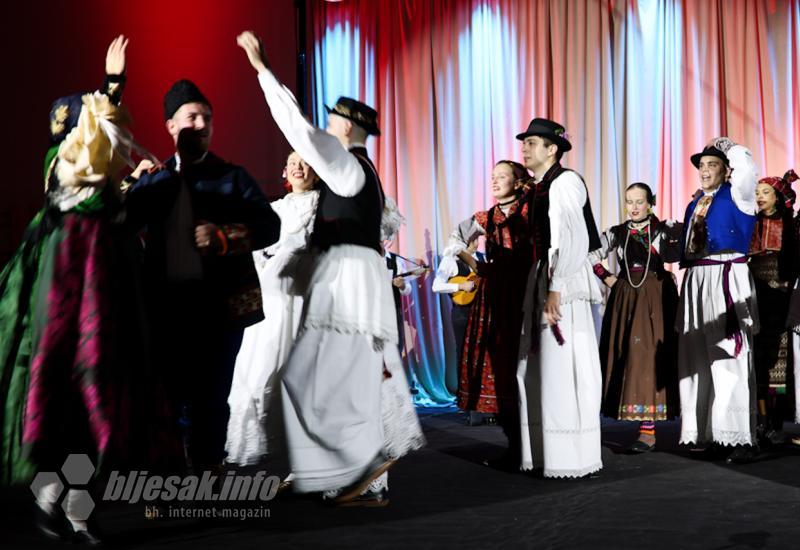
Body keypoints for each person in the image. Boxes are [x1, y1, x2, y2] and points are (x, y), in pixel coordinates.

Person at [237, 30, 421, 505]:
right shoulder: (361, 170)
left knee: (314, 375)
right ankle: (350, 467)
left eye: (334, 120)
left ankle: (362, 464)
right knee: (342, 374)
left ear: (345, 126)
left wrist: (262, 71)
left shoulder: (347, 165)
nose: (328, 126)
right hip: (351, 274)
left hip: (348, 279)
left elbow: (297, 128)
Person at [0, 36, 152, 544]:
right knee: (63, 399)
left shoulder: (95, 196)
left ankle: (76, 510)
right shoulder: (65, 164)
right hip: (65, 293)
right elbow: (94, 147)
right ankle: (51, 502)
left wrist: (130, 192)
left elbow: (106, 172)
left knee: (96, 399)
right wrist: (112, 86)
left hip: (99, 293)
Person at [125, 78, 280, 475]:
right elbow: (119, 223)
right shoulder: (155, 181)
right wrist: (130, 186)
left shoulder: (232, 176)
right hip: (166, 307)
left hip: (220, 308)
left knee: (212, 397)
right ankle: (171, 476)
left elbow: (269, 227)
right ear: (171, 126)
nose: (202, 124)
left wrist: (225, 237)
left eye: (207, 117)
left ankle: (209, 474)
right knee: (169, 397)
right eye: (192, 116)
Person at [516, 118, 604, 478]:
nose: (525, 148)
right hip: (545, 273)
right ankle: (544, 452)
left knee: (563, 362)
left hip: (560, 278)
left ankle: (568, 456)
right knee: (538, 365)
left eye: (533, 142)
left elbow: (572, 236)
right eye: (525, 142)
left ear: (552, 149)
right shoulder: (540, 187)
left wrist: (557, 286)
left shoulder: (564, 182)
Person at [225, 151, 319, 466]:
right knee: (258, 365)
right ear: (284, 171)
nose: (298, 167)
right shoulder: (273, 210)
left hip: (304, 296)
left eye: (304, 162)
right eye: (292, 162)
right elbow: (254, 247)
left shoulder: (321, 206)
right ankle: (257, 437)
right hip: (271, 295)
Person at [439, 160, 531, 463]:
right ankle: (515, 446)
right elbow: (455, 239)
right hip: (496, 294)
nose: (495, 181)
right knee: (499, 364)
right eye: (492, 177)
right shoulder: (485, 217)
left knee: (527, 362)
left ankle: (536, 445)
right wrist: (474, 262)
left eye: (502, 177)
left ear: (518, 183)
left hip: (526, 288)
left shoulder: (531, 210)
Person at [676, 137, 759, 464]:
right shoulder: (696, 202)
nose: (705, 170)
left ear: (727, 170)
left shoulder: (739, 194)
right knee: (697, 356)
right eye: (702, 165)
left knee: (728, 356)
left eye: (713, 165)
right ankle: (711, 432)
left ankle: (738, 436)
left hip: (726, 275)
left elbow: (747, 168)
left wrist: (728, 146)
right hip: (698, 278)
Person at [589, 183, 682, 452]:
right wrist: (607, 277)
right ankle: (629, 414)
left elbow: (676, 253)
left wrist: (676, 232)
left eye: (639, 201)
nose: (634, 207)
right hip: (627, 297)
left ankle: (648, 429)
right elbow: (592, 253)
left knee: (650, 355)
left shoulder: (663, 229)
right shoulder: (617, 232)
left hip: (655, 297)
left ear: (650, 203)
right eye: (629, 201)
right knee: (626, 353)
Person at [748, 170, 798, 446]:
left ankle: (777, 423)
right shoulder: (751, 224)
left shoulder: (789, 225)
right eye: (756, 192)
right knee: (756, 360)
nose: (759, 196)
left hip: (780, 296)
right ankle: (760, 421)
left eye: (764, 192)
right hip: (755, 292)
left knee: (778, 361)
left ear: (777, 196)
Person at [432, 240, 486, 424]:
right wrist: (459, 287)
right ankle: (465, 401)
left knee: (481, 356)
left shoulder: (481, 258)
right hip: (462, 313)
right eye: (473, 237)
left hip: (482, 312)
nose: (476, 241)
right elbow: (436, 286)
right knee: (464, 355)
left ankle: (483, 402)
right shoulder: (450, 260)